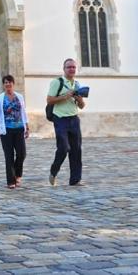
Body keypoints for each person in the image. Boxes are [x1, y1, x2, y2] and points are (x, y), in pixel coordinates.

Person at [46, 58, 86, 186]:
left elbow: (82, 106)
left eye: (73, 67)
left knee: (76, 150)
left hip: (74, 119)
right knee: (63, 148)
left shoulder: (78, 85)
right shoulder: (57, 82)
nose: (71, 69)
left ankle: (75, 180)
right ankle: (53, 171)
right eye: (69, 67)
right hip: (60, 119)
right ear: (64, 69)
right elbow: (49, 100)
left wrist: (79, 99)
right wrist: (65, 96)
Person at [0, 75, 29, 189]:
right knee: (9, 155)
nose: (8, 84)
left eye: (9, 82)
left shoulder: (19, 97)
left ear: (13, 83)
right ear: (3, 85)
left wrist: (27, 126)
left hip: (19, 129)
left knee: (22, 153)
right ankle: (10, 181)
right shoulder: (0, 98)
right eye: (5, 82)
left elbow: (23, 112)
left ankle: (18, 175)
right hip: (6, 130)